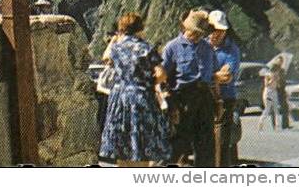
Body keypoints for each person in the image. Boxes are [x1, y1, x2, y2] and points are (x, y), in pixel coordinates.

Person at [99, 12, 171, 167]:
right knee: (142, 144)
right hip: (141, 97)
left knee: (121, 143)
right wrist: (149, 82)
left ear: (122, 29)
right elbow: (162, 74)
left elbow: (105, 57)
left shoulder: (117, 48)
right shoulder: (145, 48)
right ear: (140, 29)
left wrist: (114, 40)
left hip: (119, 98)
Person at [162, 10, 232, 167]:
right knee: (178, 145)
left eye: (201, 33)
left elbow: (213, 76)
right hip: (183, 100)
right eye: (196, 32)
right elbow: (162, 78)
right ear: (187, 29)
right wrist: (170, 105)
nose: (198, 36)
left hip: (205, 99)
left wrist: (218, 100)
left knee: (206, 145)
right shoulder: (172, 48)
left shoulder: (207, 48)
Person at [208, 10, 241, 167]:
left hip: (226, 99)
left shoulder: (232, 49)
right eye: (215, 29)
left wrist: (206, 76)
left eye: (221, 30)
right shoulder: (201, 45)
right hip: (204, 99)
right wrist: (216, 75)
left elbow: (227, 76)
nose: (218, 34)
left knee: (224, 143)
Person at [258, 60, 283, 132]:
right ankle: (260, 124)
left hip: (274, 92)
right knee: (267, 109)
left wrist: (277, 81)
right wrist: (272, 79)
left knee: (276, 109)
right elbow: (266, 84)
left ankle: (277, 127)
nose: (278, 72)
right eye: (277, 70)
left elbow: (277, 85)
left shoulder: (277, 75)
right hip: (268, 92)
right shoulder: (268, 75)